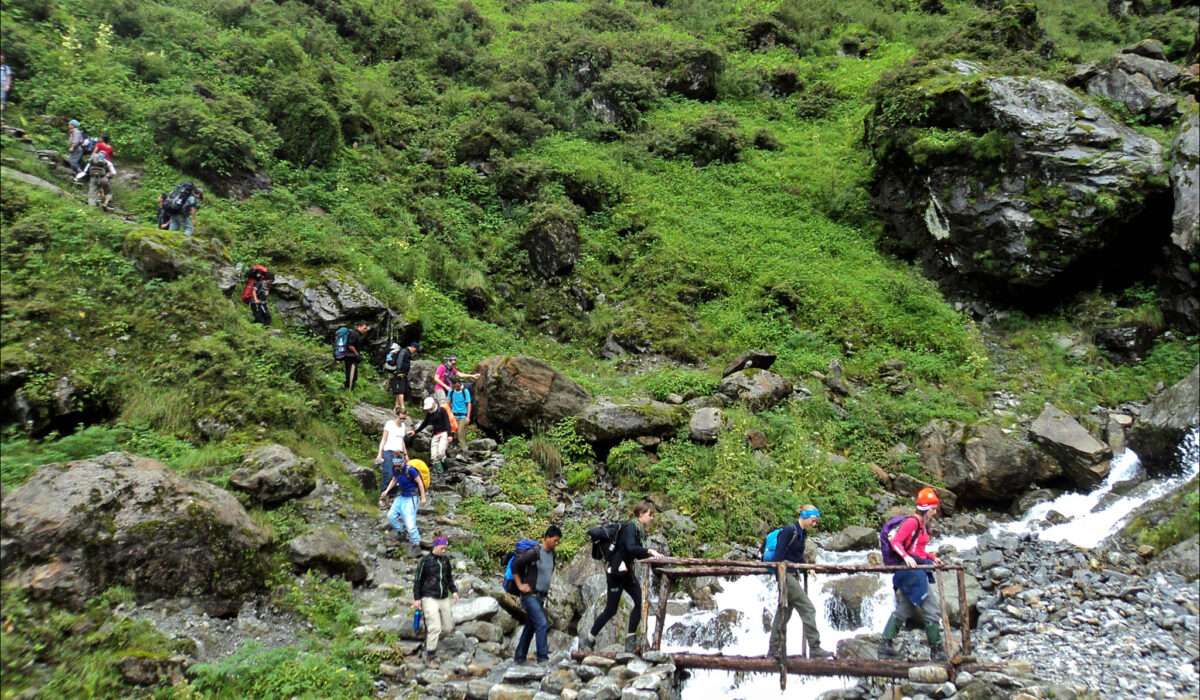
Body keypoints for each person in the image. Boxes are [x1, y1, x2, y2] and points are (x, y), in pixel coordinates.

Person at [580, 501, 664, 653]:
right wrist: (649, 551)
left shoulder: (638, 530)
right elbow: (631, 548)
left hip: (627, 573)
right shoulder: (631, 528)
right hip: (616, 574)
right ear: (641, 514)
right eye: (650, 514)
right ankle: (589, 639)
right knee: (611, 610)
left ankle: (630, 642)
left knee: (640, 602)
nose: (651, 518)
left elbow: (633, 552)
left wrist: (648, 554)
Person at [878, 487, 946, 662]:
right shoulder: (912, 523)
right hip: (911, 572)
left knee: (906, 607)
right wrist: (906, 557)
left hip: (915, 570)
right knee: (932, 608)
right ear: (926, 508)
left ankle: (885, 644)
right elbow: (896, 542)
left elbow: (919, 550)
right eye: (933, 508)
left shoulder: (922, 525)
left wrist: (932, 557)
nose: (935, 512)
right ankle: (936, 651)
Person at [766, 505, 834, 659]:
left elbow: (797, 555)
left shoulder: (802, 533)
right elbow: (778, 557)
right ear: (805, 516)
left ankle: (773, 650)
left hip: (791, 575)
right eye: (813, 520)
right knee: (808, 609)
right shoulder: (789, 531)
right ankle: (815, 648)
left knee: (783, 612)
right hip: (785, 576)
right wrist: (784, 574)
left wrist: (807, 568)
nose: (815, 524)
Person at [511, 525, 562, 665]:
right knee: (542, 623)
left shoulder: (553, 554)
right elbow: (515, 565)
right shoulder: (535, 552)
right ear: (547, 537)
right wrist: (520, 585)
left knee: (531, 626)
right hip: (529, 596)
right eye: (555, 540)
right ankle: (543, 658)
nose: (556, 543)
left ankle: (519, 656)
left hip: (540, 597)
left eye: (558, 541)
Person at [412, 535, 459, 664]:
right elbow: (417, 580)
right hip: (428, 597)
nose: (444, 551)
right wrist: (417, 599)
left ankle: (429, 639)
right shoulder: (425, 561)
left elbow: (449, 578)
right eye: (442, 548)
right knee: (435, 627)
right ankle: (430, 655)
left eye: (446, 548)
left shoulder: (445, 561)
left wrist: (454, 591)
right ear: (436, 546)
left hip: (444, 597)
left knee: (449, 628)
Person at [382, 449, 427, 557]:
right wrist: (386, 491)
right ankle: (401, 531)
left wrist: (423, 497)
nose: (397, 466)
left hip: (411, 498)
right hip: (401, 497)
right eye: (395, 464)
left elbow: (420, 483)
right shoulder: (396, 469)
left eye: (399, 464)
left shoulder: (411, 470)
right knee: (390, 516)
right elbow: (394, 479)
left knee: (411, 525)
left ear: (403, 462)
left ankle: (416, 543)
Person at [376, 410, 410, 503]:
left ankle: (391, 497)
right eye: (401, 418)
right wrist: (380, 453)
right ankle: (383, 496)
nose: (403, 420)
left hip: (399, 454)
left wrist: (406, 454)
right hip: (388, 452)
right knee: (388, 473)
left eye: (404, 418)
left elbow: (402, 441)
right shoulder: (389, 424)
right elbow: (384, 439)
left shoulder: (403, 426)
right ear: (397, 415)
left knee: (397, 476)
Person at [412, 396, 451, 474]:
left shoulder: (442, 410)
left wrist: (450, 435)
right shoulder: (429, 414)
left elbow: (447, 423)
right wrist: (415, 432)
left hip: (443, 433)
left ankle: (447, 470)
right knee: (433, 456)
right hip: (435, 434)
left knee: (441, 453)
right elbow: (424, 423)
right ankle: (440, 473)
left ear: (434, 404)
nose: (429, 409)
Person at [336, 322, 370, 391]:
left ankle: (349, 388)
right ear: (359, 327)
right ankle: (348, 389)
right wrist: (357, 354)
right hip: (350, 357)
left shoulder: (356, 334)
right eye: (364, 328)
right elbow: (350, 345)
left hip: (351, 356)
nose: (365, 330)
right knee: (351, 374)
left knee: (353, 374)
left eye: (366, 328)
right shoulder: (355, 334)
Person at [388, 340, 418, 413]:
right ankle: (402, 408)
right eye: (416, 349)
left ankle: (396, 407)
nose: (415, 351)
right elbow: (399, 361)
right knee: (401, 391)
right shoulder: (404, 351)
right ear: (413, 347)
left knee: (400, 390)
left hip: (403, 374)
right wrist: (399, 371)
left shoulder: (407, 352)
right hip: (399, 374)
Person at [447, 378, 472, 453]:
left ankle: (465, 451)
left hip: (463, 416)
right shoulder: (451, 391)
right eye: (454, 385)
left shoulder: (465, 391)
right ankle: (455, 452)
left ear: (459, 383)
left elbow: (469, 404)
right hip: (454, 416)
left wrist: (468, 417)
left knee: (460, 434)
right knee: (453, 435)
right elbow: (448, 403)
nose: (456, 386)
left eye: (457, 384)